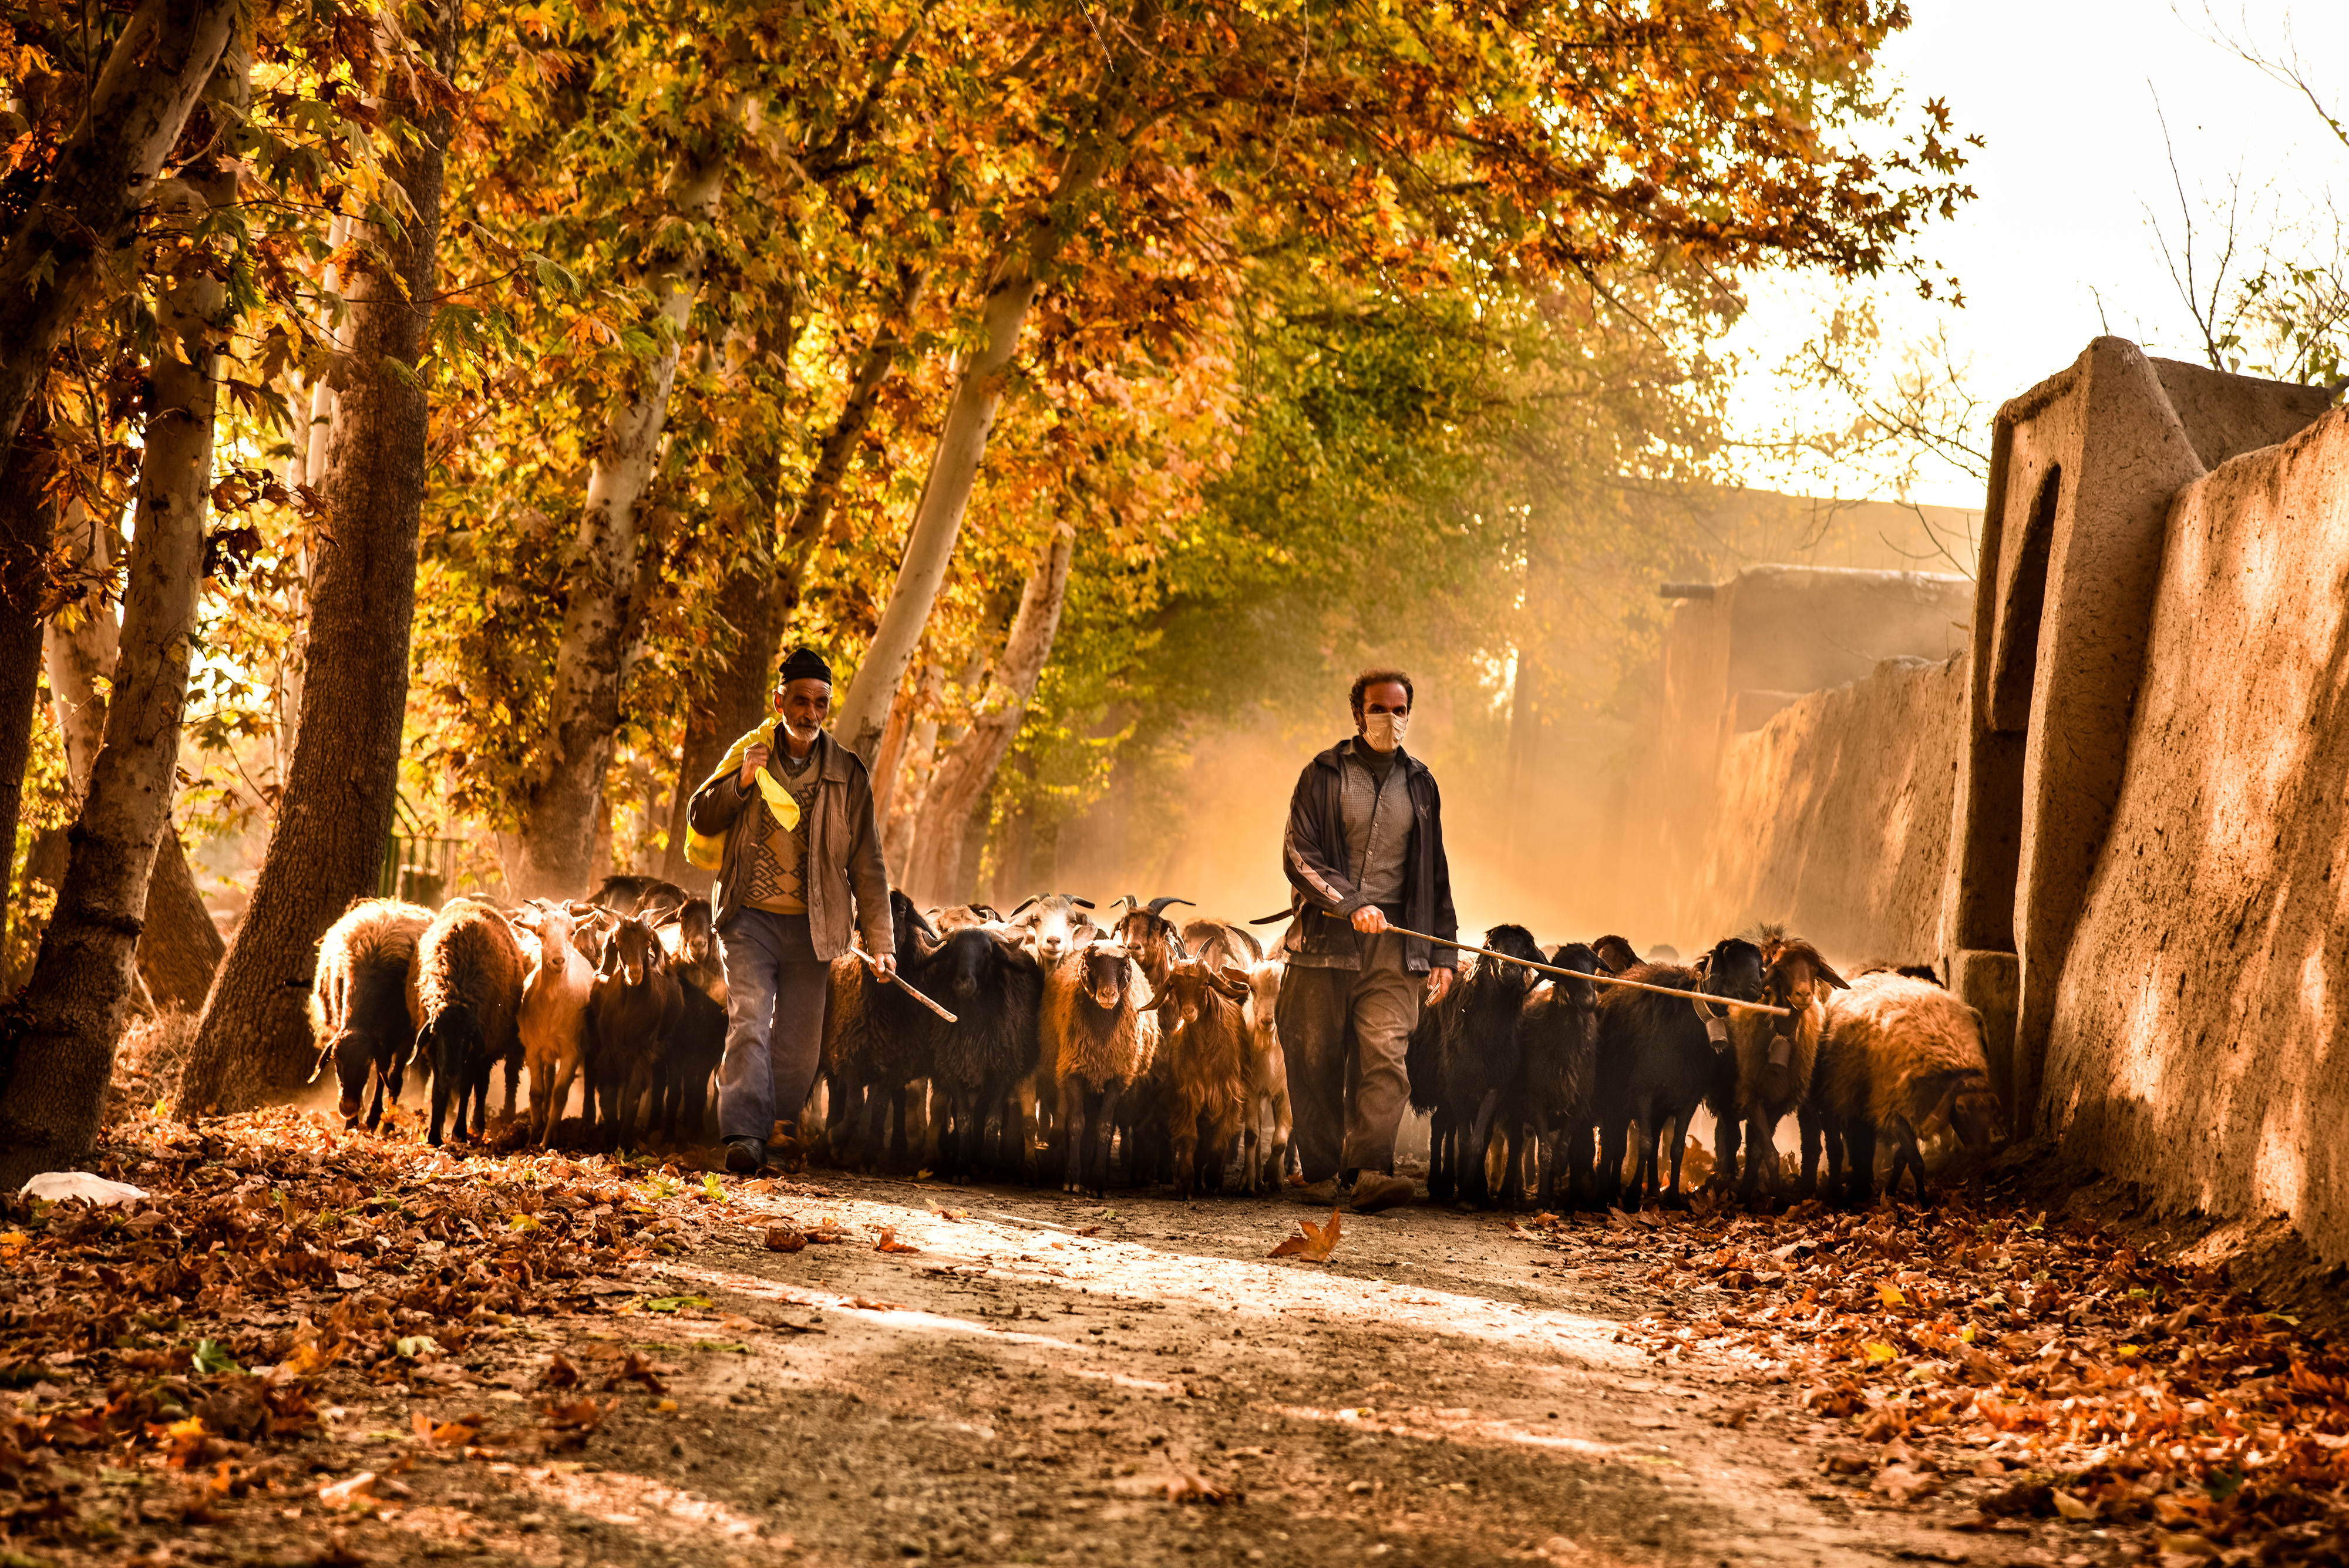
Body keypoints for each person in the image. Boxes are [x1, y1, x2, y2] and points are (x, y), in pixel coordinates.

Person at [686, 647, 894, 1175]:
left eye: (821, 703)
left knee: (801, 1041)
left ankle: (777, 1129)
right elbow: (701, 817)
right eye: (800, 701)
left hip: (815, 928)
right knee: (749, 1020)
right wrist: (739, 786)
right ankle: (744, 1136)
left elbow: (867, 863)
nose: (811, 713)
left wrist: (882, 942)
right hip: (748, 918)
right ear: (779, 701)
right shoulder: (749, 756)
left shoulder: (848, 774)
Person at [1272, 668, 1457, 1213]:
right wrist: (1351, 904)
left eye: (1401, 711)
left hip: (1398, 948)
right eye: (1380, 710)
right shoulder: (1323, 775)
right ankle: (1326, 1171)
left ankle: (1371, 1170)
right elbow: (1297, 855)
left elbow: (1436, 874)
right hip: (1324, 943)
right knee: (1313, 1056)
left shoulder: (1422, 784)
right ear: (1358, 714)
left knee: (1387, 1056)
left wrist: (1443, 951)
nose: (1391, 720)